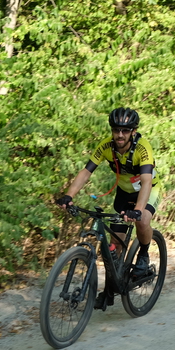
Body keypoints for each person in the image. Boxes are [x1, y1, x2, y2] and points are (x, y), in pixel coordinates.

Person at [55, 107, 161, 310]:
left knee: (143, 220)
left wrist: (138, 210)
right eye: (116, 130)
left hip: (149, 190)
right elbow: (86, 172)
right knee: (114, 245)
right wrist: (69, 196)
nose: (120, 135)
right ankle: (111, 289)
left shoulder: (142, 148)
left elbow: (146, 182)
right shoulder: (106, 146)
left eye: (125, 130)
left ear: (133, 131)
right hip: (123, 192)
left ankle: (144, 255)